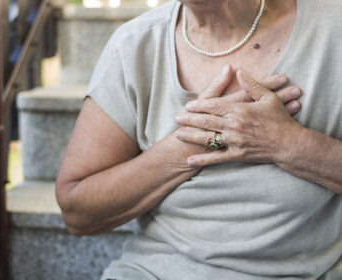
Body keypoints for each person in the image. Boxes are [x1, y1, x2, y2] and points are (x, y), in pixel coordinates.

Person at [55, 0, 342, 279]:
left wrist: (288, 143)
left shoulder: (332, 28)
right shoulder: (136, 45)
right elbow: (78, 211)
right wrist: (192, 143)